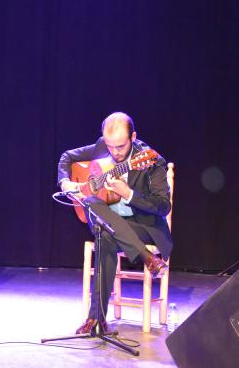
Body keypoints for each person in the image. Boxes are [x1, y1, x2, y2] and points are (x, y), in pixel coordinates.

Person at [57, 112, 172, 334]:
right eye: (110, 146)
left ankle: (95, 319)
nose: (115, 152)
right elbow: (66, 157)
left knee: (104, 233)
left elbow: (163, 206)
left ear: (133, 137)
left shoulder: (152, 161)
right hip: (107, 221)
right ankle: (148, 259)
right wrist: (65, 181)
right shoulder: (103, 145)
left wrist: (129, 193)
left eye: (120, 146)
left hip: (143, 227)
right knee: (92, 206)